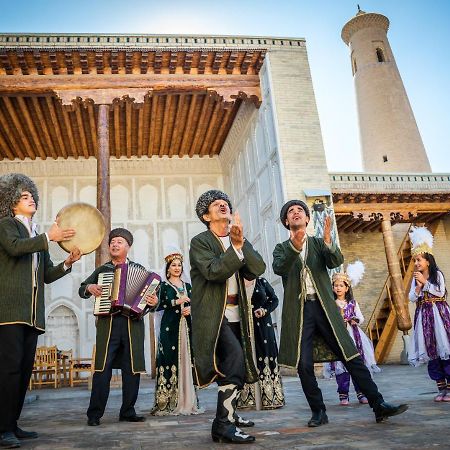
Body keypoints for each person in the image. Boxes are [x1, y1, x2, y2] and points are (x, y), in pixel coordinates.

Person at [272, 199, 408, 427]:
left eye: (300, 211)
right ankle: (318, 412)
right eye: (291, 212)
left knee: (351, 355)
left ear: (306, 219)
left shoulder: (317, 243)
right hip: (300, 311)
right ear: (287, 221)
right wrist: (295, 247)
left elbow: (335, 260)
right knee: (303, 364)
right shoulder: (282, 248)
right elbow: (280, 267)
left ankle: (378, 404)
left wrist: (328, 241)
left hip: (325, 308)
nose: (296, 213)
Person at [0, 173, 81, 449]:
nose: (31, 199)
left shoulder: (37, 234)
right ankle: (2, 429)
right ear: (12, 203)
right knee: (9, 370)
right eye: (24, 197)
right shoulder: (6, 225)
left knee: (23, 372)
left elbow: (46, 274)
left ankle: (12, 424)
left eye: (32, 195)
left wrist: (67, 263)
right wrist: (50, 236)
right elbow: (13, 248)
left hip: (32, 315)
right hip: (9, 312)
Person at [189, 190, 266, 444]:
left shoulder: (238, 239)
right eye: (216, 204)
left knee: (236, 364)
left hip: (238, 314)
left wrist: (240, 244)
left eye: (226, 203)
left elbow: (258, 269)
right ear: (206, 215)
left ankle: (228, 417)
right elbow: (213, 271)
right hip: (214, 313)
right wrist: (234, 248)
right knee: (232, 358)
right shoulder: (200, 242)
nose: (223, 205)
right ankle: (223, 424)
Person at [79, 228, 158, 426]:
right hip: (108, 324)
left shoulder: (140, 270)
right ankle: (94, 414)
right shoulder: (102, 270)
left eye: (120, 241)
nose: (115, 244)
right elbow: (82, 288)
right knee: (102, 369)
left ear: (128, 247)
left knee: (132, 369)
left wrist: (153, 300)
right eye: (112, 241)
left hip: (132, 325)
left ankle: (128, 411)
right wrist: (89, 287)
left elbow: (151, 301)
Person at [151, 248, 204, 415]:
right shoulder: (163, 286)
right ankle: (169, 401)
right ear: (168, 268)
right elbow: (156, 306)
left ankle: (188, 400)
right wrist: (176, 301)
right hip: (170, 330)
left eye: (179, 265)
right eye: (173, 265)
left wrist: (191, 309)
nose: (176, 268)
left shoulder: (188, 286)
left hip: (187, 330)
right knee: (169, 361)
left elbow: (197, 304)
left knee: (187, 361)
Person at [324, 261, 380, 406]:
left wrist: (354, 319)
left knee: (356, 364)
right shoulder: (331, 303)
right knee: (340, 365)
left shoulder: (352, 303)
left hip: (353, 336)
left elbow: (360, 317)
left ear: (347, 288)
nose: (338, 288)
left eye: (341, 285)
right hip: (338, 336)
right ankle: (343, 394)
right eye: (336, 285)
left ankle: (361, 393)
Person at [407, 226, 450, 402]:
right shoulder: (415, 278)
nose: (417, 263)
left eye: (419, 260)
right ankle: (441, 389)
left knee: (444, 349)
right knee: (431, 351)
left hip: (439, 315)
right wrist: (417, 287)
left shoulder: (436, 274)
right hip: (424, 316)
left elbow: (440, 292)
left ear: (428, 261)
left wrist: (425, 282)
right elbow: (411, 297)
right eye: (415, 260)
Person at [238, 277, 285, 409]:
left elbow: (274, 299)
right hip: (244, 328)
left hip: (263, 326)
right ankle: (247, 398)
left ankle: (270, 397)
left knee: (265, 355)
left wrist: (264, 310)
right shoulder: (236, 283)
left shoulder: (261, 282)